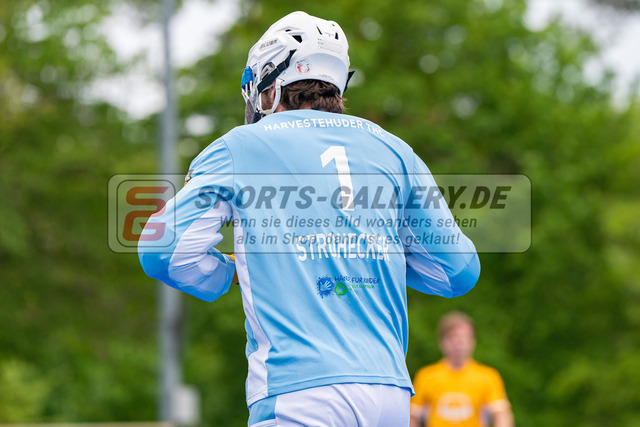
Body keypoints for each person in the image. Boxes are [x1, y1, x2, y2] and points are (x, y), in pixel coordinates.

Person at [139, 11, 480, 426]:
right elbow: (458, 271)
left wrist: (230, 273)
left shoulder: (241, 146)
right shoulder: (395, 150)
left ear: (270, 83)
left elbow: (163, 250)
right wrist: (366, 255)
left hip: (299, 390)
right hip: (389, 392)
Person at [410, 312, 514, 427]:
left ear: (473, 341)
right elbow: (412, 417)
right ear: (442, 342)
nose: (459, 343)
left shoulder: (488, 376)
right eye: (453, 337)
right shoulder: (426, 376)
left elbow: (502, 416)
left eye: (464, 337)